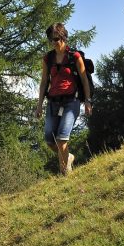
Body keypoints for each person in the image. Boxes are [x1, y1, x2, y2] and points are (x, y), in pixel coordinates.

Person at [35, 23, 93, 175]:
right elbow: (43, 82)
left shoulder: (75, 56)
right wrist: (39, 104)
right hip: (53, 102)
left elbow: (84, 80)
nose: (53, 42)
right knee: (49, 140)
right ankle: (68, 157)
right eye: (51, 39)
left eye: (56, 39)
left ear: (63, 37)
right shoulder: (48, 58)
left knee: (61, 138)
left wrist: (87, 101)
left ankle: (65, 173)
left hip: (71, 102)